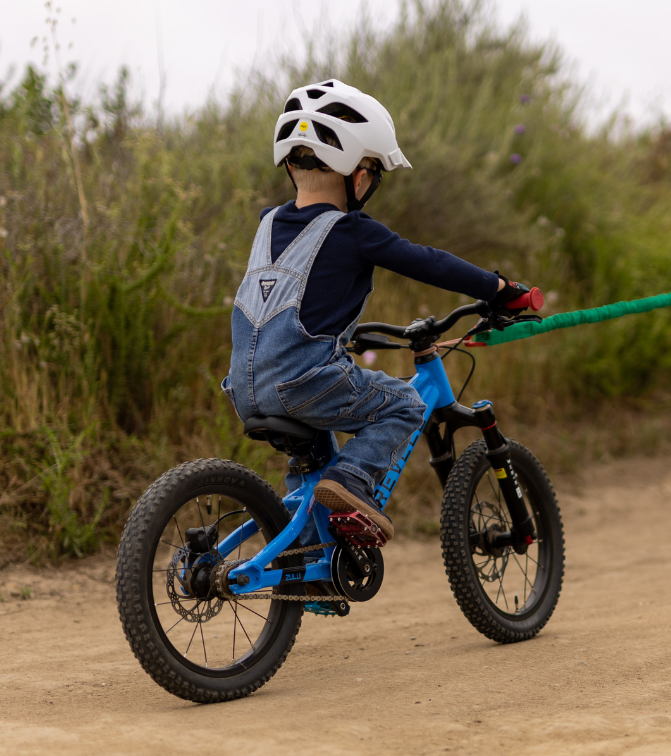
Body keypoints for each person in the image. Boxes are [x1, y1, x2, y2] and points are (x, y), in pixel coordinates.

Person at [222, 79, 524, 543]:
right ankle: (351, 482)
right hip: (303, 382)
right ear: (359, 176)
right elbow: (429, 261)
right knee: (406, 403)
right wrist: (498, 287)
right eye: (374, 173)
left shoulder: (269, 223)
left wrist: (339, 336)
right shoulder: (352, 230)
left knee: (312, 454)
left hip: (244, 386)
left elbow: (294, 302)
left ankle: (305, 560)